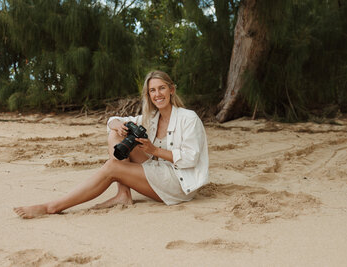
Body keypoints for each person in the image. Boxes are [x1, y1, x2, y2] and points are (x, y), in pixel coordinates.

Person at [14, 70, 209, 219]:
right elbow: (113, 120)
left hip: (179, 182)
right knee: (115, 136)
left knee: (112, 167)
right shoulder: (151, 118)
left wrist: (154, 150)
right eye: (152, 90)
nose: (157, 94)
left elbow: (191, 158)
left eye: (161, 88)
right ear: (148, 94)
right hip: (159, 171)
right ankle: (123, 195)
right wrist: (116, 124)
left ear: (171, 90)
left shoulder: (188, 118)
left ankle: (52, 207)